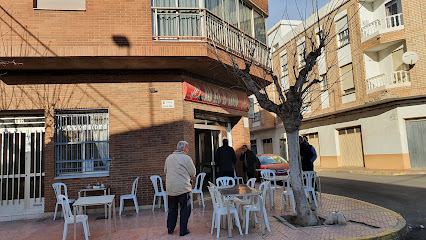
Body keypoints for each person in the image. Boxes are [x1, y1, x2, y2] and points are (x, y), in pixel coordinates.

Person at [164, 141, 196, 236]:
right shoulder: (186, 158)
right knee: (185, 209)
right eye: (187, 147)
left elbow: (165, 170)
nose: (188, 150)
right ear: (182, 148)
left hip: (171, 188)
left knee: (172, 209)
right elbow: (193, 173)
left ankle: (170, 228)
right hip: (183, 188)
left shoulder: (169, 158)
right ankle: (183, 230)